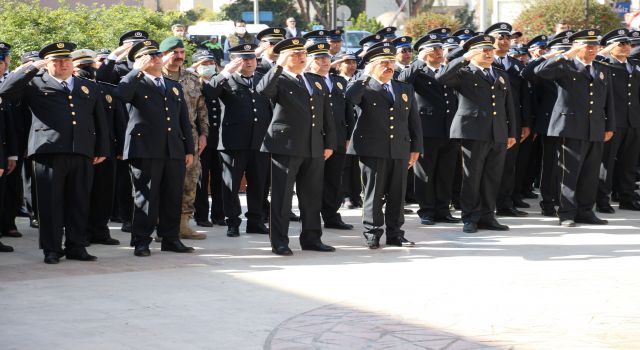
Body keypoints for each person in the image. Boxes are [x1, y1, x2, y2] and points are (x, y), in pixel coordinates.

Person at [0, 41, 110, 264]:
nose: (63, 64)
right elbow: (5, 91)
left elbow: (99, 119)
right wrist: (31, 68)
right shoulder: (34, 84)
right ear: (46, 64)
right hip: (48, 152)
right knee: (50, 204)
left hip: (82, 151)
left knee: (79, 202)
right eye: (56, 60)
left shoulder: (86, 85)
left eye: (67, 59)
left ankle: (76, 246)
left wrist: (102, 147)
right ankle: (52, 248)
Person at [256, 37, 337, 256]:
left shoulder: (314, 80)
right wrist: (279, 65)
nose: (301, 58)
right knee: (282, 197)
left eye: (303, 54)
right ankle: (280, 242)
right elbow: (263, 90)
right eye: (295, 54)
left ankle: (312, 238)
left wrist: (329, 142)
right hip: (286, 145)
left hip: (314, 146)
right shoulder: (278, 79)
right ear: (284, 57)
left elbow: (326, 115)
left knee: (312, 196)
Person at [115, 39, 196, 256]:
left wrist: (189, 149)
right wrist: (135, 72)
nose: (156, 58)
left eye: (158, 55)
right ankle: (141, 240)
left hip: (173, 149)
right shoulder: (133, 82)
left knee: (172, 195)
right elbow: (119, 96)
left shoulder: (173, 85)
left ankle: (170, 238)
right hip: (145, 149)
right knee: (146, 197)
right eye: (150, 56)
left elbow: (183, 120)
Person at [436, 34, 517, 233]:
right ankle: (470, 217)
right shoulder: (463, 73)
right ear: (473, 53)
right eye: (484, 50)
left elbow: (509, 106)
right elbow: (441, 77)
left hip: (497, 132)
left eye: (491, 49)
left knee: (492, 177)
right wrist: (463, 58)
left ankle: (488, 216)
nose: (489, 53)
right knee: (472, 177)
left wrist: (511, 132)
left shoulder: (500, 74)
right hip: (472, 132)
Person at [533, 29, 615, 227]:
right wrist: (566, 54)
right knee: (568, 173)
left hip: (594, 127)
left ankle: (586, 211)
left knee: (590, 172)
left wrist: (609, 125)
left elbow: (609, 101)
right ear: (577, 47)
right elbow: (539, 72)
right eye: (588, 45)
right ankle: (567, 213)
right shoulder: (564, 66)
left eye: (595, 45)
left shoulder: (601, 68)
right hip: (569, 127)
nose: (593, 49)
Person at [346, 44, 422, 248]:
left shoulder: (403, 87)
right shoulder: (363, 85)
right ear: (372, 66)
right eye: (383, 63)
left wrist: (416, 148)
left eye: (390, 62)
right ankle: (372, 232)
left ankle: (396, 233)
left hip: (399, 147)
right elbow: (350, 98)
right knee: (374, 193)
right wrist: (366, 75)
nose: (389, 66)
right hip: (372, 148)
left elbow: (413, 120)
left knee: (397, 194)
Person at [209, 43, 272, 237]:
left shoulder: (262, 79)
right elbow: (209, 93)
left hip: (259, 141)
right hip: (233, 142)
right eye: (244, 59)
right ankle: (233, 222)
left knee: (258, 184)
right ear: (235, 61)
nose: (249, 62)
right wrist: (226, 72)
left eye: (252, 58)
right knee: (231, 185)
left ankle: (255, 220)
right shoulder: (224, 80)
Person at [398, 32, 460, 226]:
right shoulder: (418, 71)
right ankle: (427, 210)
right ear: (424, 51)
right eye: (434, 49)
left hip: (449, 128)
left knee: (446, 171)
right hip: (427, 129)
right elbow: (401, 81)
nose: (439, 52)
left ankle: (443, 209)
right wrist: (419, 61)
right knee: (425, 172)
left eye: (440, 48)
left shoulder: (447, 69)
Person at [71, 48, 125, 246]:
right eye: (82, 66)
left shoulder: (107, 89)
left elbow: (119, 120)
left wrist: (120, 149)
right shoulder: (69, 89)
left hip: (107, 149)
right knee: (81, 193)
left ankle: (100, 230)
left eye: (89, 66)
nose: (87, 70)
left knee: (104, 192)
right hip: (81, 149)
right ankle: (81, 231)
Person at [159, 36, 210, 240]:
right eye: (175, 53)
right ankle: (163, 228)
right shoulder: (155, 76)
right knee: (165, 183)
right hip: (163, 138)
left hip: (190, 137)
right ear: (163, 55)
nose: (180, 56)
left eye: (182, 52)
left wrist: (204, 133)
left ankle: (183, 225)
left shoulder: (191, 78)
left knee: (190, 182)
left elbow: (201, 108)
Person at [304, 43, 356, 230]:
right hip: (315, 137)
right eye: (319, 58)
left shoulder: (339, 81)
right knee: (312, 180)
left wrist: (349, 135)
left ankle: (331, 215)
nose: (325, 61)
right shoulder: (306, 80)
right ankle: (310, 216)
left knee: (334, 179)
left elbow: (348, 110)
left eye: (326, 58)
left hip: (338, 137)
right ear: (310, 61)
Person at [485, 22, 531, 218]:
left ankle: (505, 203)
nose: (504, 41)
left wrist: (526, 123)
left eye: (506, 38)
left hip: (511, 122)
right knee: (487, 166)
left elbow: (524, 97)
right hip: (488, 123)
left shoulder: (517, 65)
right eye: (499, 37)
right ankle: (485, 205)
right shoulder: (484, 63)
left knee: (509, 165)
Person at [595, 29, 640, 212]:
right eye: (620, 44)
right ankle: (602, 200)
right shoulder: (604, 64)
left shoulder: (635, 65)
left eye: (628, 43)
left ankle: (627, 198)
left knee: (629, 163)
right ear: (610, 47)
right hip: (613, 122)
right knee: (607, 162)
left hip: (634, 122)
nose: (626, 47)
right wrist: (604, 51)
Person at [192, 51, 226, 227]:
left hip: (219, 138)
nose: (208, 66)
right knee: (202, 179)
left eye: (211, 62)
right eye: (204, 63)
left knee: (219, 178)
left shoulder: (219, 83)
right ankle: (201, 215)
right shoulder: (193, 84)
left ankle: (219, 215)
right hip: (201, 138)